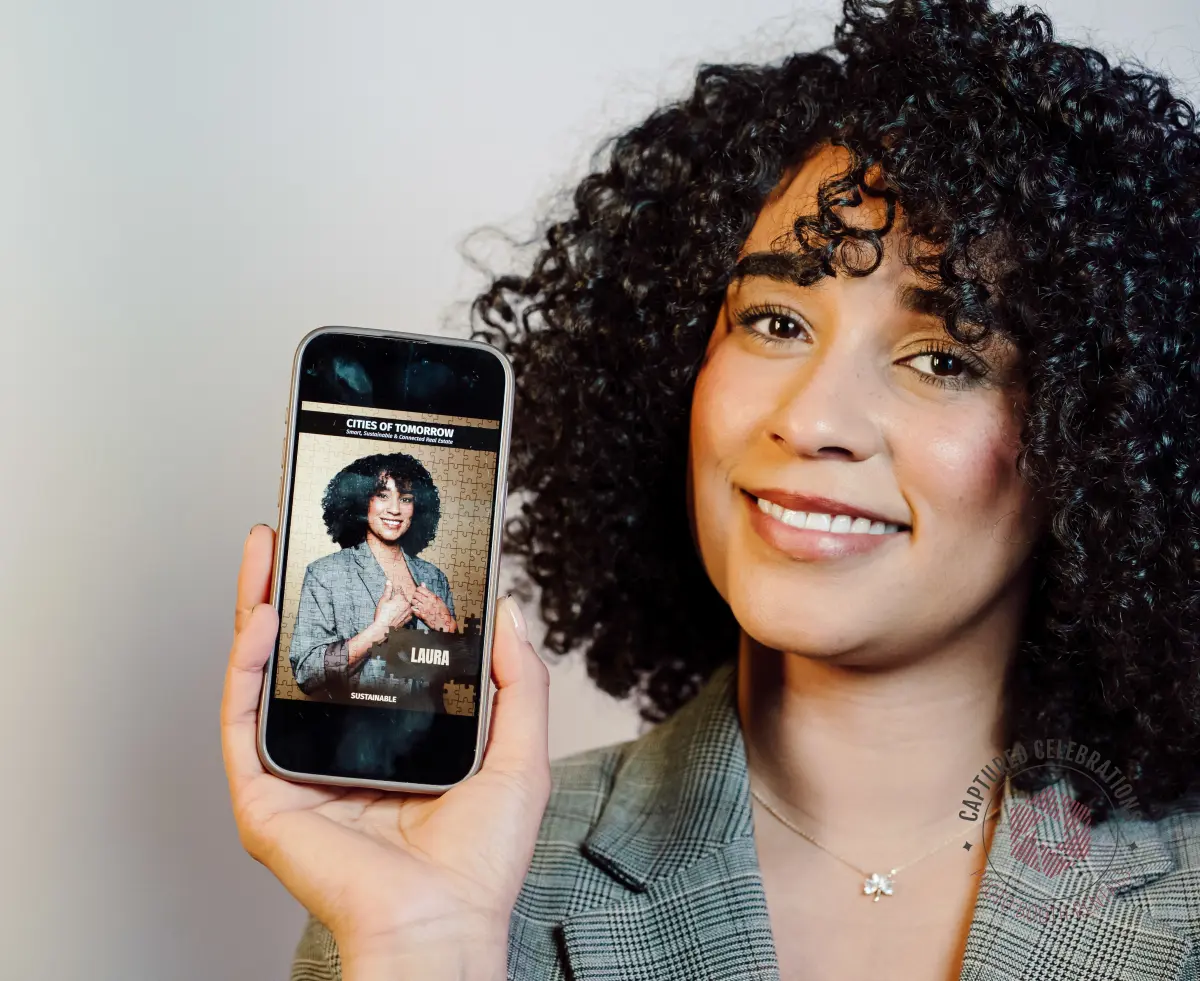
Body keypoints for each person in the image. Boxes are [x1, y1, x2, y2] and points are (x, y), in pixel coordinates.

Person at [221, 1, 1200, 978]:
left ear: (1107, 435)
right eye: (775, 322)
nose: (812, 419)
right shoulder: (452, 874)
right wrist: (422, 947)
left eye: (943, 357)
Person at [289, 451, 457, 701]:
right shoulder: (325, 574)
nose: (395, 510)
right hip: (351, 732)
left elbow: (454, 673)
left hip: (426, 731)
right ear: (360, 501)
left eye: (406, 499)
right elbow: (307, 672)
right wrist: (377, 632)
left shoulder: (434, 578)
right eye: (382, 496)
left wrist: (448, 629)